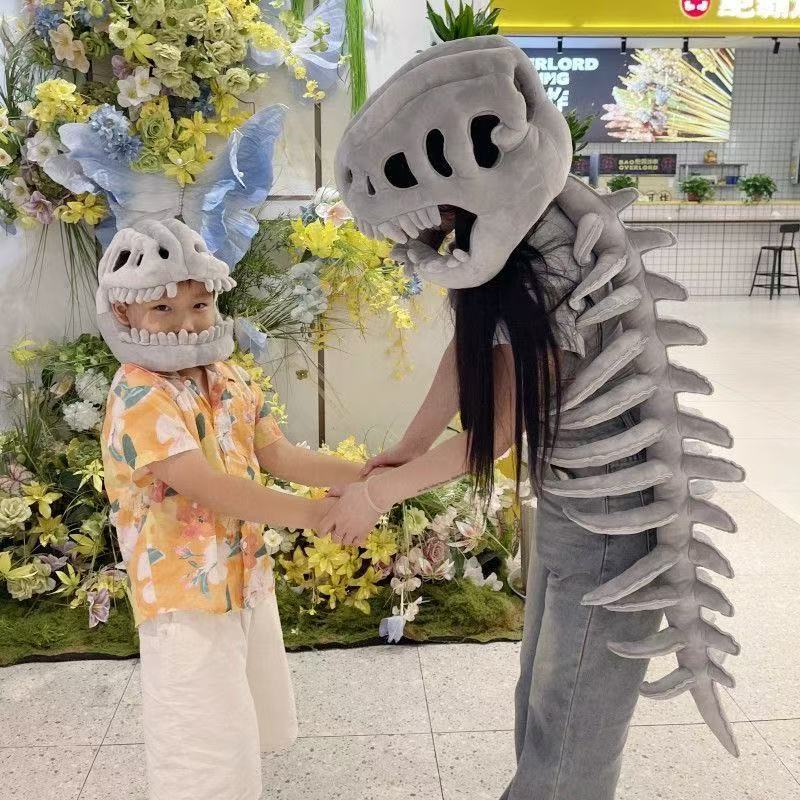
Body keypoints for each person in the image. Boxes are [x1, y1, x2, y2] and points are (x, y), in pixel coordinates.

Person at [98, 218, 363, 800]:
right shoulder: (140, 393)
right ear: (124, 311)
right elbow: (205, 486)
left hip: (243, 578)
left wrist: (367, 477)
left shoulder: (230, 378)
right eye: (163, 308)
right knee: (201, 748)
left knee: (240, 724)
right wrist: (315, 515)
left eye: (199, 304)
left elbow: (280, 455)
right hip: (183, 591)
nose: (187, 321)